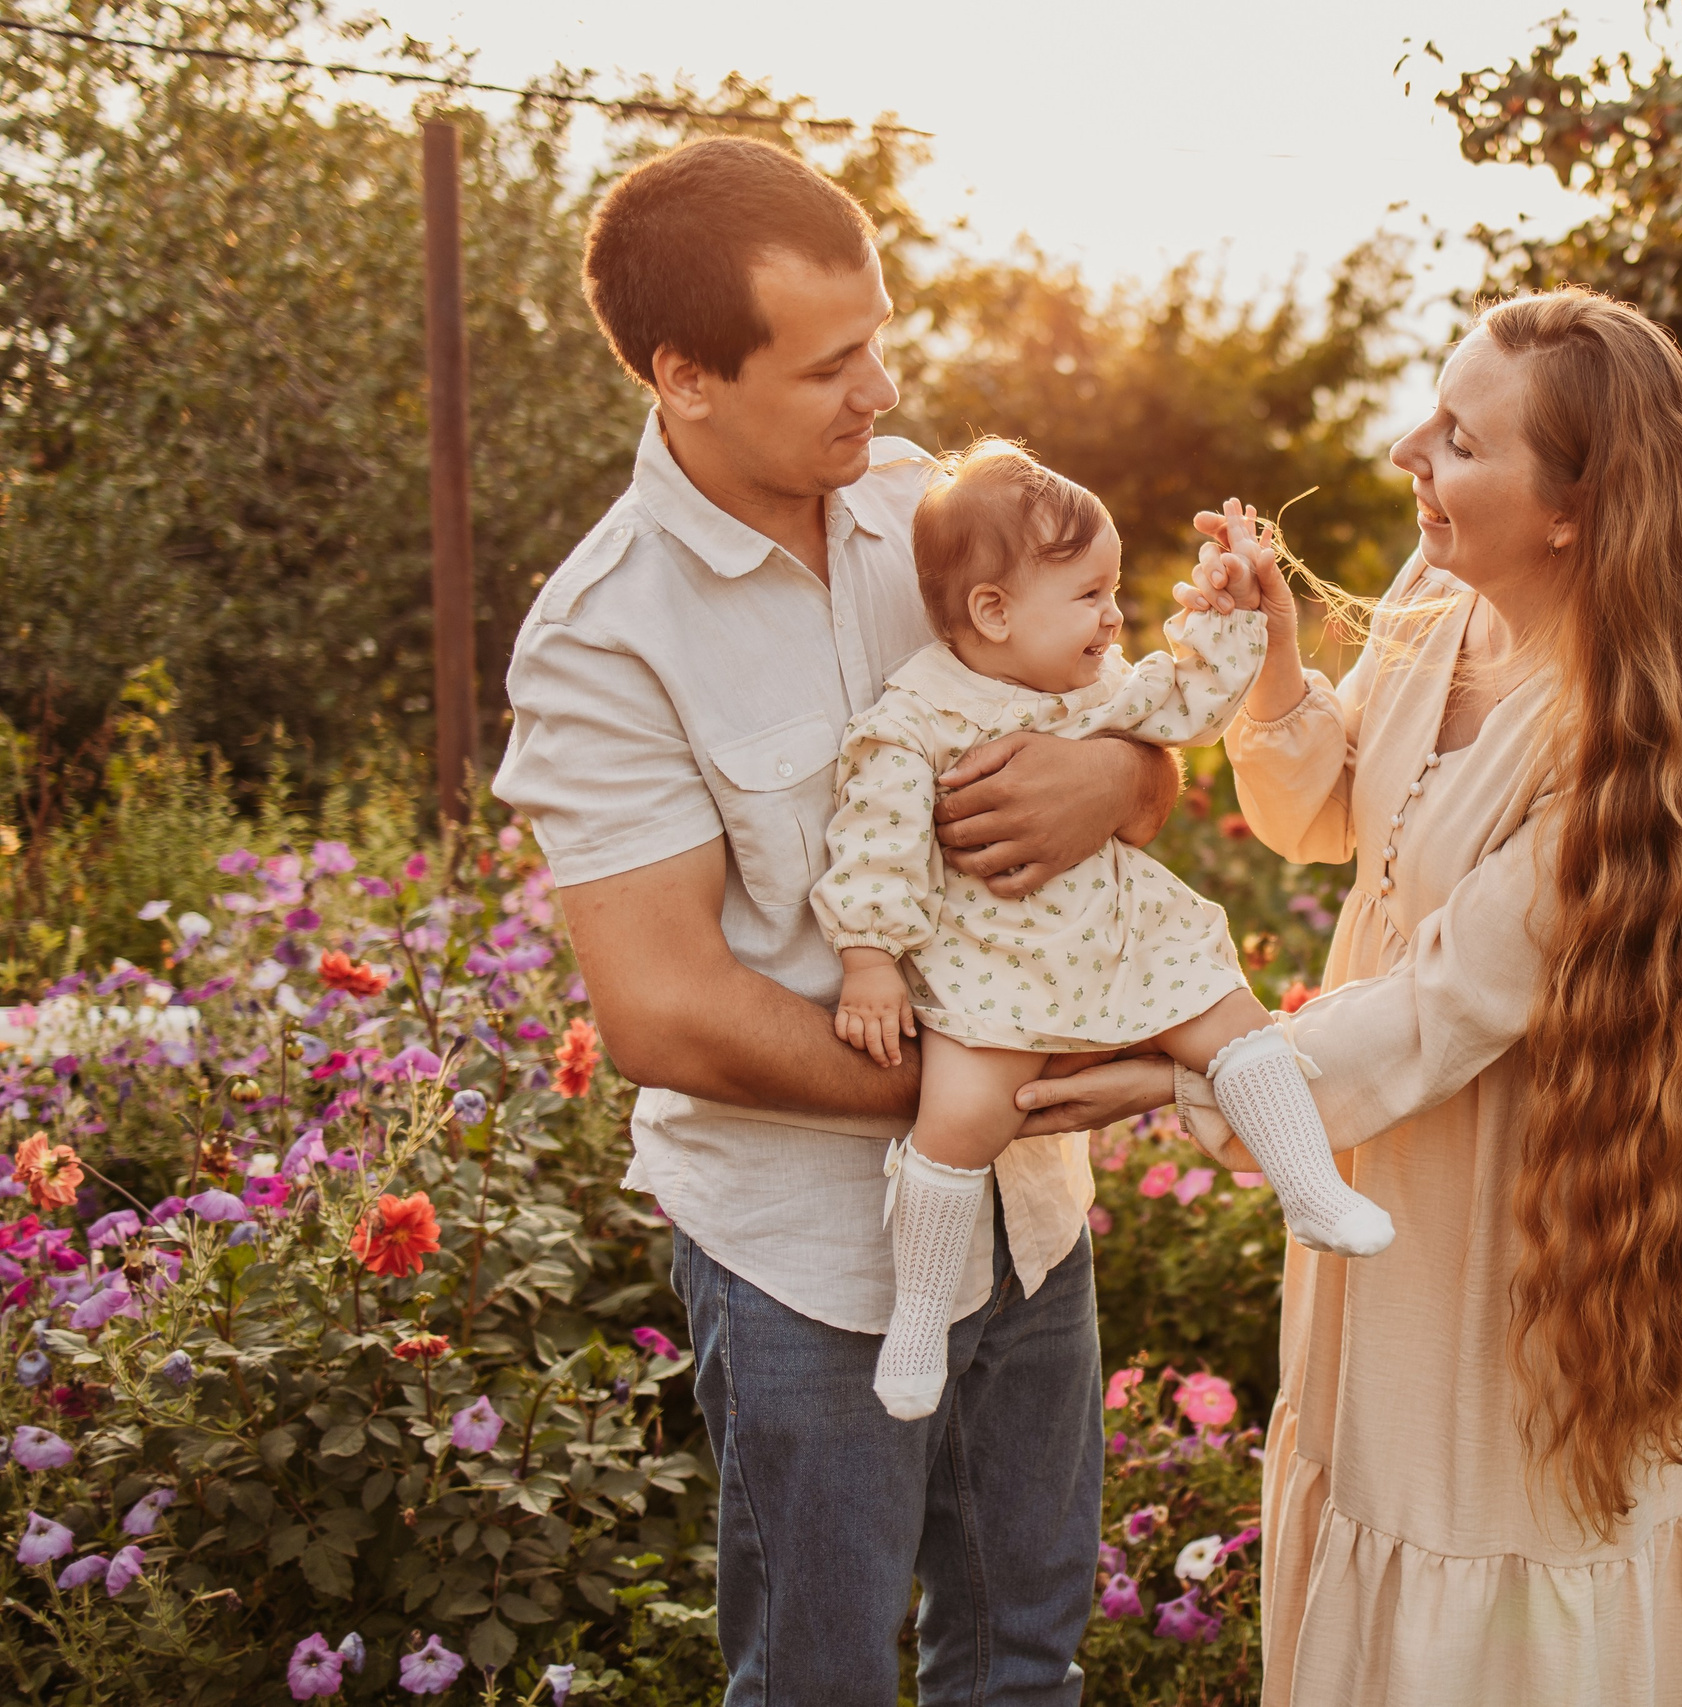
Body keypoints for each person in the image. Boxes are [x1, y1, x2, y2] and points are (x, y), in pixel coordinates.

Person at [1028, 286, 1682, 1705]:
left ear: (1575, 505)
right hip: (1372, 1161)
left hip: (1529, 1209)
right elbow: (1321, 810)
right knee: (1372, 1506)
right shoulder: (1439, 603)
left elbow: (1444, 1006)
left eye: (1455, 438)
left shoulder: (1624, 732)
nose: (1405, 455)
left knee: (1482, 1539)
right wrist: (1270, 648)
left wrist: (1179, 1067)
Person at [491, 137, 1176, 1705]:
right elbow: (663, 1009)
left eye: (880, 338)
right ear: (685, 375)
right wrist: (991, 1089)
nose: (880, 391)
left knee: (1022, 1660)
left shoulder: (927, 507)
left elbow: (1138, 750)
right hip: (808, 1261)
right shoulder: (606, 639)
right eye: (830, 365)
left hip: (1032, 1219)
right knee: (819, 1683)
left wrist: (1114, 770)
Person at [814, 439, 1392, 1419]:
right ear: (992, 611)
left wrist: (1226, 613)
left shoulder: (1097, 685)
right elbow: (874, 836)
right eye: (1088, 595)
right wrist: (869, 958)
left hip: (1120, 931)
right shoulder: (919, 713)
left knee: (1234, 1023)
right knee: (956, 1118)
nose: (1113, 614)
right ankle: (917, 1320)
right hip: (993, 959)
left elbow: (1188, 703)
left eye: (1112, 589)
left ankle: (1309, 1189)